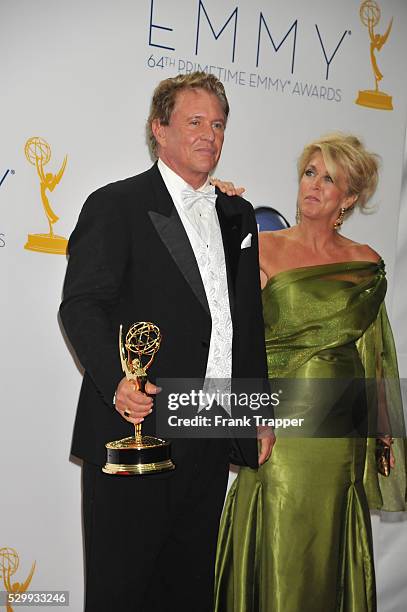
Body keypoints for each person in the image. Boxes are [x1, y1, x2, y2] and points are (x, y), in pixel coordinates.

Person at [59, 72, 273, 612]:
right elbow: (82, 305)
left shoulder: (236, 214)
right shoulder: (116, 204)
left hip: (209, 427)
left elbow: (245, 323)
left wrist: (258, 410)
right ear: (160, 129)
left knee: (188, 589)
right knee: (122, 590)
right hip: (138, 428)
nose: (210, 135)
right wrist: (116, 382)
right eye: (194, 121)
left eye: (218, 124)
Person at [213, 133, 406, 612]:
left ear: (350, 198)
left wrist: (383, 433)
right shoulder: (258, 247)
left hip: (340, 432)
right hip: (275, 423)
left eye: (330, 179)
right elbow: (231, 338)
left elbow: (374, 351)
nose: (314, 186)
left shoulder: (366, 264)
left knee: (328, 535)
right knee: (277, 525)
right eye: (310, 173)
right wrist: (211, 214)